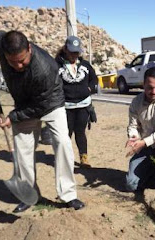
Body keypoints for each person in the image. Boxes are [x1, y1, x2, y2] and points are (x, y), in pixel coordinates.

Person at [0, 30, 85, 213]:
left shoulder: (44, 68)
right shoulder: (1, 42)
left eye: (22, 60)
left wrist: (12, 118)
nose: (19, 65)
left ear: (29, 48)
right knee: (22, 150)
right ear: (5, 54)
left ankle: (68, 195)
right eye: (13, 62)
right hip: (23, 102)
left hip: (50, 102)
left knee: (62, 142)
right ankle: (29, 196)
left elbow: (39, 107)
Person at [55, 36, 98, 168]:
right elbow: (53, 83)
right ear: (65, 49)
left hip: (83, 105)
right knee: (66, 133)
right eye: (72, 51)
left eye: (76, 52)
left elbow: (94, 79)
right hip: (66, 107)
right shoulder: (57, 65)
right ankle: (65, 159)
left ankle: (83, 158)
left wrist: (89, 88)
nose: (74, 54)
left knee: (80, 132)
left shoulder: (85, 65)